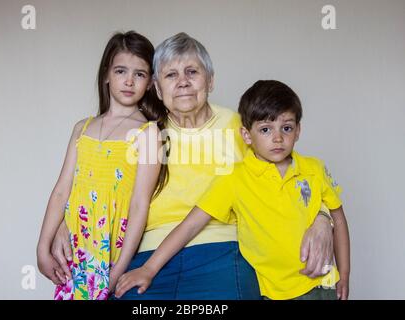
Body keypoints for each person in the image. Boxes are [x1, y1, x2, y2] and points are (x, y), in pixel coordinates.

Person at [51, 33, 335, 300]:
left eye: (192, 72)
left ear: (210, 81)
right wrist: (66, 222)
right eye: (171, 75)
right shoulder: (143, 132)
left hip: (222, 249)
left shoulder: (240, 127)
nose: (183, 82)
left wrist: (323, 217)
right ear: (158, 88)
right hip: (149, 252)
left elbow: (290, 170)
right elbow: (101, 184)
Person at [115, 80, 350, 300]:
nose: (278, 138)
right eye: (266, 130)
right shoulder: (234, 178)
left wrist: (345, 275)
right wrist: (148, 268)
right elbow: (190, 225)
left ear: (298, 130)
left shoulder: (314, 169)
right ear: (246, 135)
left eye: (286, 128)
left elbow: (338, 218)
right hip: (273, 292)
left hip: (323, 285)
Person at [36, 31, 168, 300]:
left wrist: (119, 269)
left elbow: (139, 203)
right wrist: (42, 247)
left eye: (140, 74)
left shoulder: (149, 133)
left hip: (112, 249)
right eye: (121, 71)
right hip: (74, 249)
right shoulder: (81, 128)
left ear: (150, 83)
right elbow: (62, 190)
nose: (129, 81)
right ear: (107, 74)